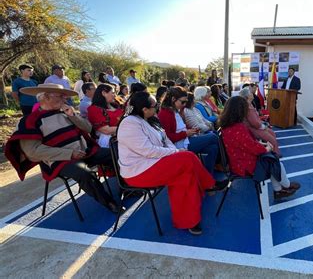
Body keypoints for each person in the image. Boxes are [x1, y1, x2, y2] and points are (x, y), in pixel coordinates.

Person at [117, 92, 227, 235]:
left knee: (185, 174)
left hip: (154, 163)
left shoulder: (150, 120)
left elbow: (166, 140)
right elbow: (147, 150)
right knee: (187, 157)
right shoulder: (129, 123)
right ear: (144, 109)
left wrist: (174, 151)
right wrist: (176, 153)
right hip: (138, 171)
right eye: (154, 105)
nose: (157, 107)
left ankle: (189, 221)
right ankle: (209, 184)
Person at [5, 83, 121, 213]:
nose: (66, 99)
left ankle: (127, 187)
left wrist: (73, 116)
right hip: (60, 160)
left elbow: (88, 129)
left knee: (117, 154)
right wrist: (70, 153)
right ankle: (109, 203)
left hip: (85, 152)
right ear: (46, 97)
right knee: (84, 173)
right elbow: (33, 152)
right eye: (61, 96)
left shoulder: (66, 112)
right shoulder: (29, 121)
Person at [219, 96, 300, 199]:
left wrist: (264, 146)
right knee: (274, 162)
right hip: (243, 165)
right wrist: (267, 148)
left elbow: (246, 145)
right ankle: (285, 186)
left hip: (239, 159)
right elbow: (253, 147)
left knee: (272, 160)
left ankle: (279, 190)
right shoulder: (237, 128)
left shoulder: (228, 125)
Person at [158, 86, 219, 174]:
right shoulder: (165, 114)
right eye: (183, 102)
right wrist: (186, 133)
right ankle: (225, 163)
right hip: (179, 146)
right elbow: (168, 137)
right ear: (173, 99)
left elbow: (181, 127)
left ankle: (208, 175)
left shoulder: (175, 111)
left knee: (213, 148)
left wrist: (191, 130)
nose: (184, 104)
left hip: (185, 140)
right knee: (213, 137)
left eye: (186, 102)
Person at [239, 88, 280, 156]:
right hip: (252, 129)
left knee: (272, 133)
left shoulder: (249, 104)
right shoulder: (247, 107)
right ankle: (275, 156)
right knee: (272, 140)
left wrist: (263, 125)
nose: (252, 93)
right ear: (247, 96)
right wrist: (263, 126)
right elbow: (254, 123)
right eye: (250, 92)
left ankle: (273, 153)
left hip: (256, 126)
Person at [87, 84, 124, 148]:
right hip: (110, 142)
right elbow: (106, 130)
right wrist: (127, 127)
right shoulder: (94, 109)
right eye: (112, 93)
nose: (114, 95)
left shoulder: (115, 105)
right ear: (104, 93)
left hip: (123, 137)